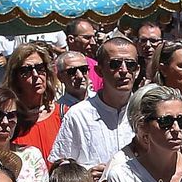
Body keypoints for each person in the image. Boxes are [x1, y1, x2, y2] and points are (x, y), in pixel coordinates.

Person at [49, 36, 137, 170]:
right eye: (115, 64)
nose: (124, 70)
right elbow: (60, 168)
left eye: (130, 64)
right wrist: (86, 175)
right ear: (99, 71)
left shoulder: (146, 111)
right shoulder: (78, 115)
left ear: (137, 70)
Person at [10, 42, 67, 159]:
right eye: (26, 71)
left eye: (40, 68)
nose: (36, 75)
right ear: (15, 77)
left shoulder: (64, 114)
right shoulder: (9, 119)